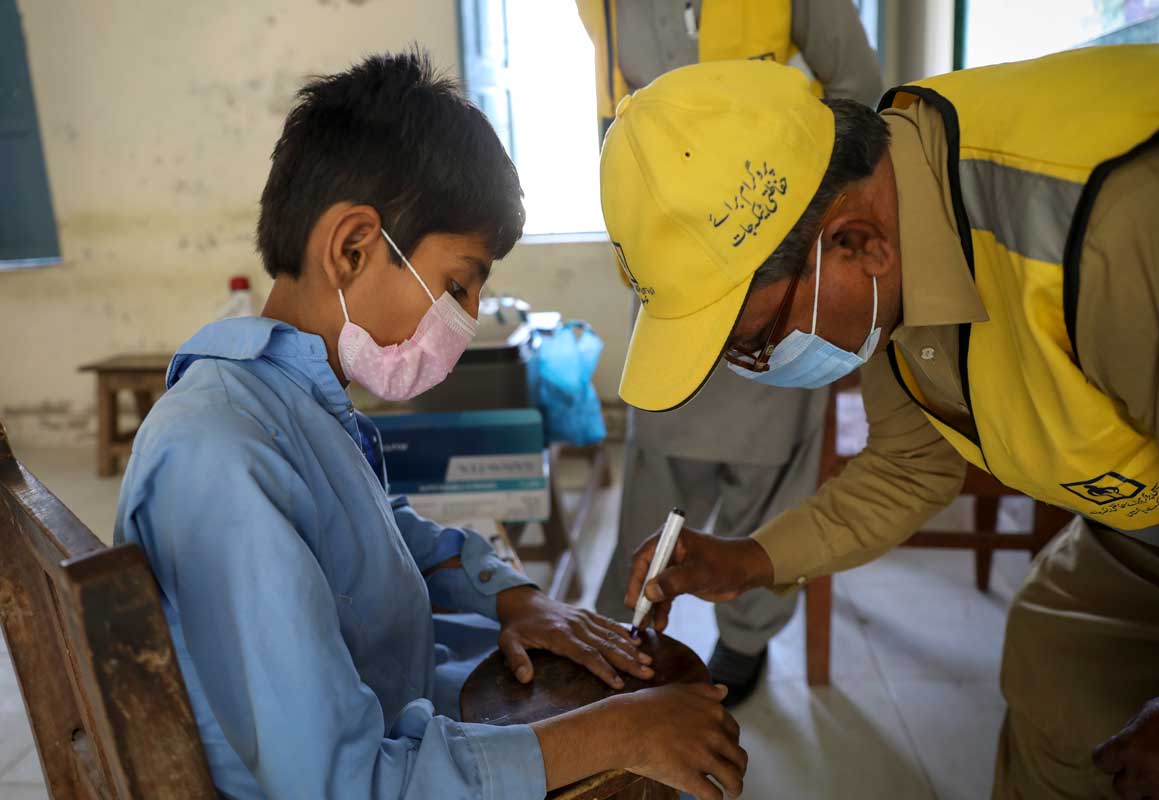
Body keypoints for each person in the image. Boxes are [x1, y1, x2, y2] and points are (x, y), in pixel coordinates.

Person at [114, 50, 746, 800]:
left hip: (396, 703)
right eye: (458, 283)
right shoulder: (220, 455)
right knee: (643, 736)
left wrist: (511, 597)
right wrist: (619, 732)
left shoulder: (284, 399)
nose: (468, 318)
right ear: (352, 248)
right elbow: (342, 785)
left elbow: (378, 530)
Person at [597, 45, 1159, 800]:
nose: (754, 368)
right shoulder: (889, 224)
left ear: (857, 245)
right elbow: (913, 466)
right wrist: (746, 560)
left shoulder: (1128, 222)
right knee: (1058, 663)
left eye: (753, 340)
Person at [577, 0, 884, 706]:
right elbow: (615, 118)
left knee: (770, 475)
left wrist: (795, 205)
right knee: (660, 462)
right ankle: (627, 627)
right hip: (676, 278)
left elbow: (860, 88)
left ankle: (745, 640)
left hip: (771, 259)